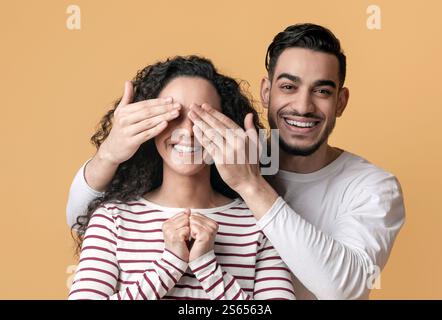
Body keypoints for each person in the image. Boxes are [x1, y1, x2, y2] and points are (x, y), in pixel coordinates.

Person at [67, 24, 405, 300]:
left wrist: (247, 189)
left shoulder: (371, 187)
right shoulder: (242, 150)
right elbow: (81, 215)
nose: (303, 107)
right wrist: (109, 153)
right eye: (288, 86)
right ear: (266, 92)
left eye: (322, 91)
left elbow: (338, 289)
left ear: (341, 101)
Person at [68, 56, 295, 300]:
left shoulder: (260, 224)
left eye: (203, 118)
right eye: (174, 116)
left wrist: (208, 267)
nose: (187, 132)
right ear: (148, 124)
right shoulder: (112, 219)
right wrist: (169, 267)